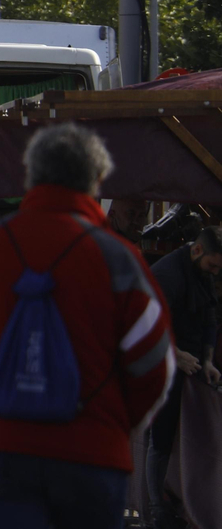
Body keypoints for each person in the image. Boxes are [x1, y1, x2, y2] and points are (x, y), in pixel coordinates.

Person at [0, 123, 175, 529]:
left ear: (30, 176)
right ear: (96, 180)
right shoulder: (120, 259)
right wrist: (112, 423)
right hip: (92, 456)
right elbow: (155, 361)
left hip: (0, 452)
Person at [145, 226, 222, 529]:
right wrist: (175, 354)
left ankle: (189, 503)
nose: (214, 272)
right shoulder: (168, 274)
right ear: (197, 250)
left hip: (190, 363)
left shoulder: (204, 272)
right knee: (160, 440)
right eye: (212, 266)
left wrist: (206, 358)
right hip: (161, 363)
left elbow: (209, 317)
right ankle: (156, 509)